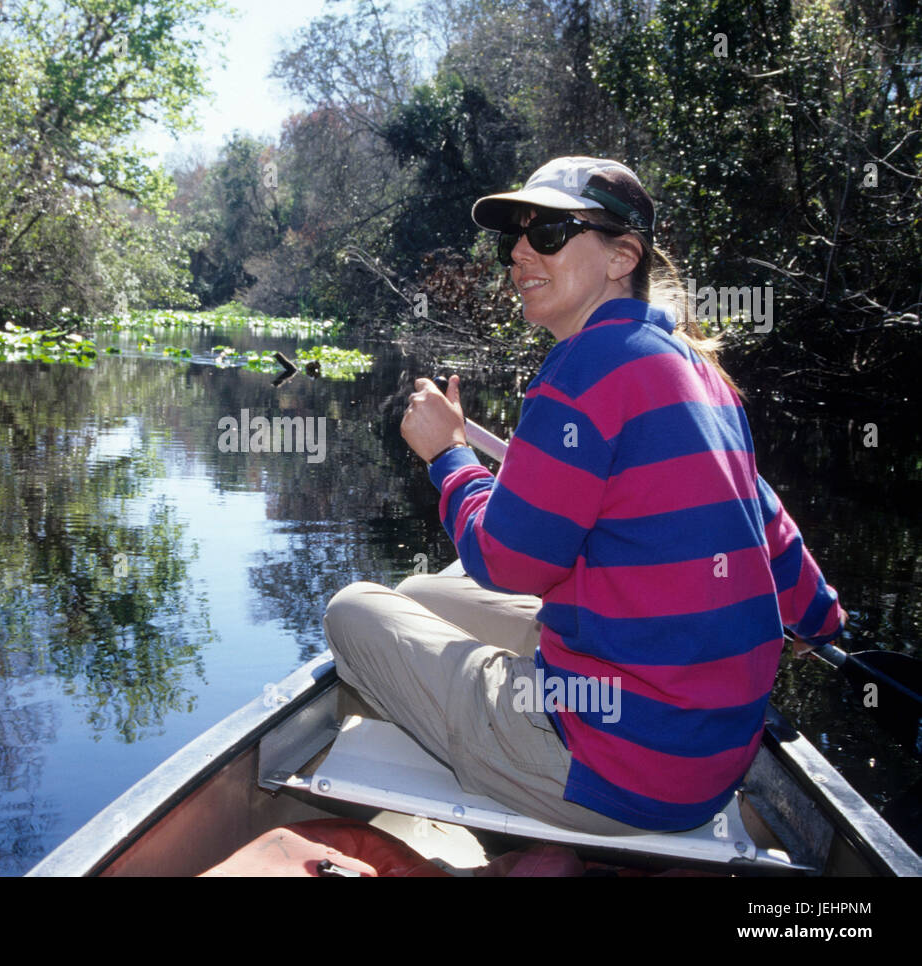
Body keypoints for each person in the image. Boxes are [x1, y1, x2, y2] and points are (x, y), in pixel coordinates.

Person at [323, 156, 845, 834]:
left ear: (622, 255)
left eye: (548, 232)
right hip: (710, 765)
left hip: (613, 767)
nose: (517, 251)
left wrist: (449, 457)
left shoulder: (584, 365)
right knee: (421, 598)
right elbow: (767, 526)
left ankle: (475, 789)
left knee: (354, 610)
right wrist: (821, 623)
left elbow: (509, 563)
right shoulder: (701, 374)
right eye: (514, 235)